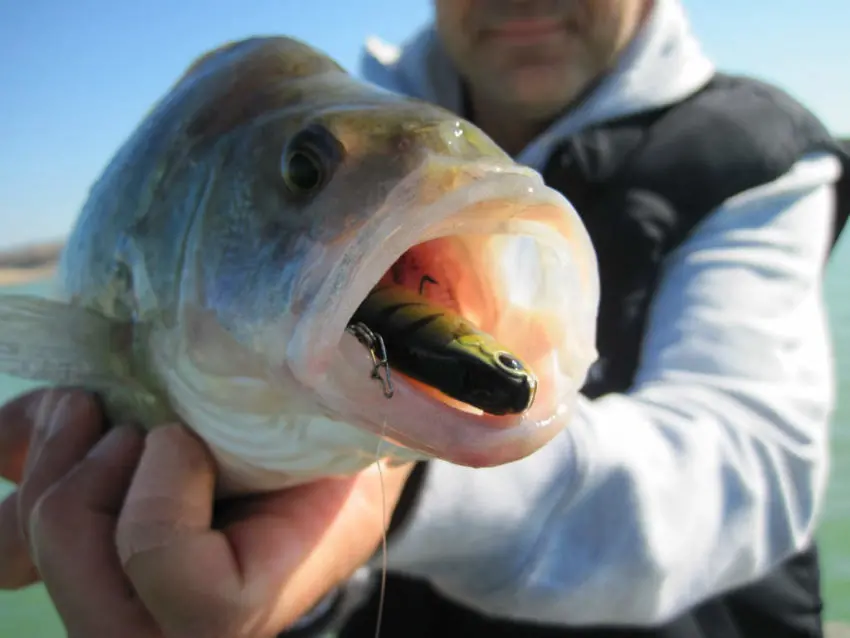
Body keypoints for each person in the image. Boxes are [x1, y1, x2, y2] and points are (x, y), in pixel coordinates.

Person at [0, 0, 848, 637]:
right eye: (305, 173)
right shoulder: (366, 115)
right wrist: (289, 580)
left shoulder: (760, 159)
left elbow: (751, 467)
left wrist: (401, 494)